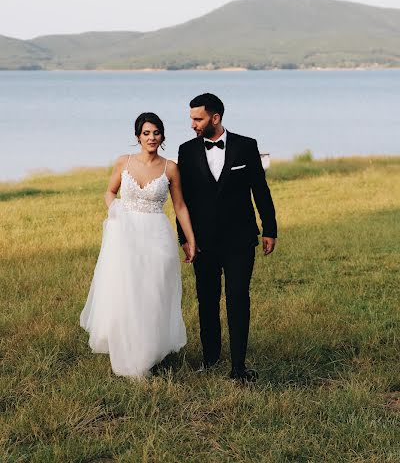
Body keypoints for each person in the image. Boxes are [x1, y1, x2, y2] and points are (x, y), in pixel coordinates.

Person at [80, 112, 196, 378]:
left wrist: (190, 239)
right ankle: (131, 350)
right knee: (128, 291)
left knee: (154, 292)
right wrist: (117, 212)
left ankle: (150, 350)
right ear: (137, 137)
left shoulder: (170, 168)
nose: (151, 138)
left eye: (156, 133)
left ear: (162, 136)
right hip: (125, 236)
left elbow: (179, 206)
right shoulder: (124, 162)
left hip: (157, 236)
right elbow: (109, 192)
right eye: (146, 133)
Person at [177, 93, 277, 383]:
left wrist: (269, 228)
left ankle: (238, 367)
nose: (193, 124)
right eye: (192, 119)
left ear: (215, 118)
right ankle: (210, 359)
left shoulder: (246, 146)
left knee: (237, 299)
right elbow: (182, 200)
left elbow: (261, 190)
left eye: (198, 119)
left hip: (240, 239)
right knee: (207, 300)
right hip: (203, 241)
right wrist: (184, 236)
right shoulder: (186, 151)